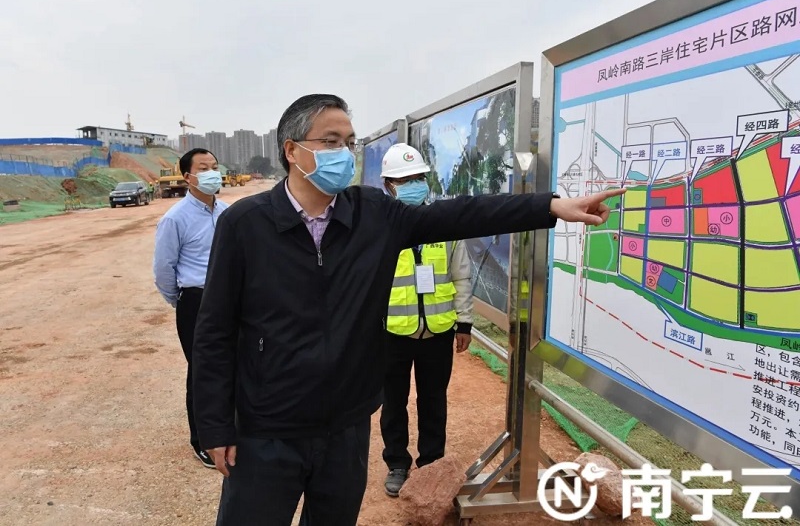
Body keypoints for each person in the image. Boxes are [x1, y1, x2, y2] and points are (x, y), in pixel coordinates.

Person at [192, 94, 624, 526]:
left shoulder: (372, 214)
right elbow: (214, 331)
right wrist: (214, 425)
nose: (344, 153)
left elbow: (462, 214)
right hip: (267, 427)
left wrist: (549, 206)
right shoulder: (245, 225)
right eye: (330, 141)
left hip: (345, 427)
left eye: (349, 142)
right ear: (292, 150)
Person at [378, 143, 474, 497]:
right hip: (392, 332)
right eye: (404, 180)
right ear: (388, 184)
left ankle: (431, 462)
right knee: (394, 401)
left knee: (433, 400)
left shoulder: (443, 224)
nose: (413, 185)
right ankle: (397, 463)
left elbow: (461, 275)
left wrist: (464, 323)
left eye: (418, 177)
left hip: (438, 329)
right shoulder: (379, 228)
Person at [153, 148, 227, 469]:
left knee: (234, 364)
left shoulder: (227, 213)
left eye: (215, 167)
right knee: (201, 371)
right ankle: (203, 440)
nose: (212, 173)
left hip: (229, 299)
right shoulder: (175, 219)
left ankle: (231, 431)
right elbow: (163, 270)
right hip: (196, 301)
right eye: (204, 168)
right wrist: (182, 300)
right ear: (187, 177)